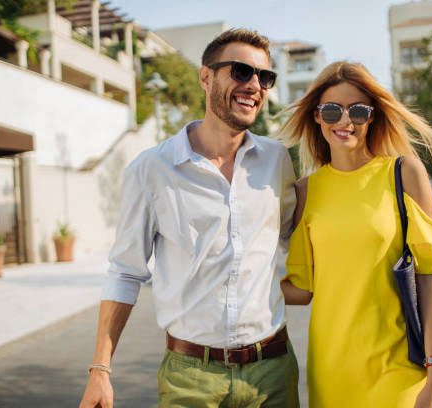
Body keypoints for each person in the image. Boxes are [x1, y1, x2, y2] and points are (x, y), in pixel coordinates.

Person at [79, 29, 300, 408]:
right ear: (205, 77)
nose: (254, 86)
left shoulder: (277, 161)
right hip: (190, 377)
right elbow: (125, 272)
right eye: (241, 72)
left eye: (265, 77)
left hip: (273, 373)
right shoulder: (151, 169)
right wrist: (100, 369)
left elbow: (295, 238)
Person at [279, 61, 432, 408]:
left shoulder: (404, 173)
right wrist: (228, 282)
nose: (344, 121)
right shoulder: (306, 191)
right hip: (331, 368)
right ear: (316, 116)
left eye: (357, 110)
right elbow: (302, 288)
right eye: (331, 110)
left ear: (372, 117)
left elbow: (429, 276)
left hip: (399, 367)